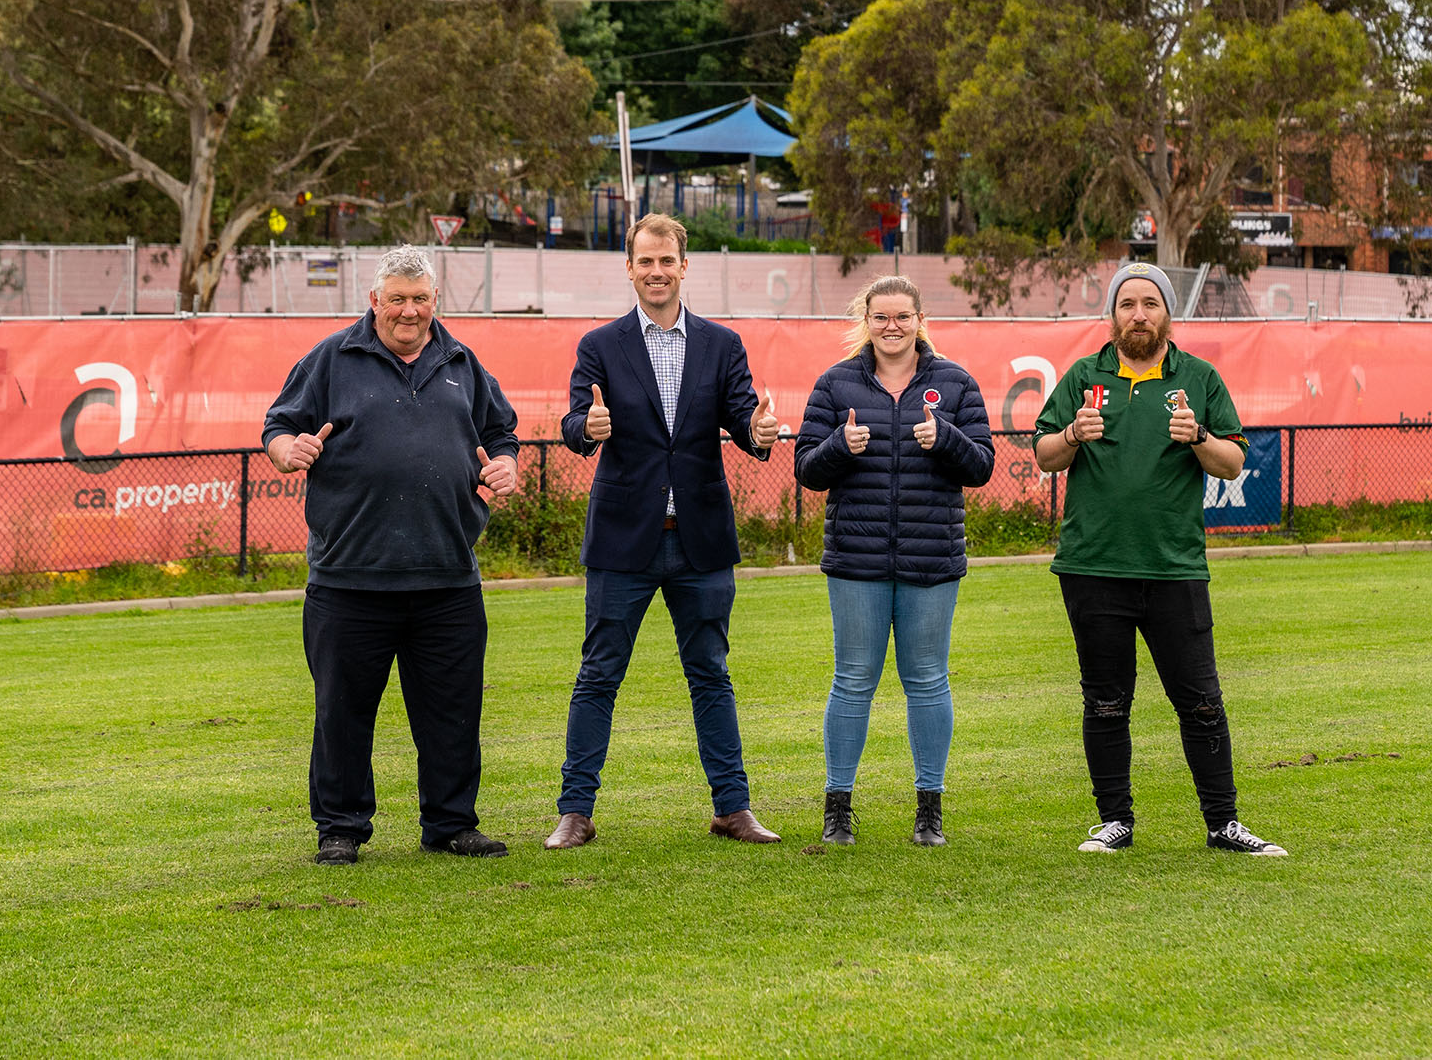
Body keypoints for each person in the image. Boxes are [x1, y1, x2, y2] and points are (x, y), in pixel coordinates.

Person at [261, 245, 522, 866]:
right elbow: (278, 426)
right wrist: (285, 451)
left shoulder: (462, 360)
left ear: (435, 301)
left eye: (421, 299)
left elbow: (500, 431)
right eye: (397, 299)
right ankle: (342, 829)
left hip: (449, 577)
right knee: (342, 716)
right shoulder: (331, 359)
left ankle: (451, 823)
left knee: (453, 713)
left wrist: (506, 463)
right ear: (374, 301)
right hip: (350, 579)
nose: (410, 311)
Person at [1033, 259, 1287, 857]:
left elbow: (1232, 461)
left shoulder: (1197, 378)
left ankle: (1223, 823)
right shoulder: (1083, 376)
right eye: (1128, 304)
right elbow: (1044, 455)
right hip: (1093, 566)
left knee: (1200, 699)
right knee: (1105, 699)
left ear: (1169, 314)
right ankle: (1113, 820)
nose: (1138, 314)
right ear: (1113, 313)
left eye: (1150, 304)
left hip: (1173, 569)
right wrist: (1073, 434)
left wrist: (1198, 437)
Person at [545, 212, 784, 850]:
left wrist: (758, 434)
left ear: (684, 266)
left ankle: (733, 808)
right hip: (624, 539)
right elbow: (574, 422)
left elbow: (742, 418)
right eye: (644, 261)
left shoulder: (721, 344)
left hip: (700, 539)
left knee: (710, 672)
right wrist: (585, 429)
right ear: (629, 268)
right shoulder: (600, 345)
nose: (656, 272)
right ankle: (575, 811)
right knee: (599, 673)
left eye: (666, 261)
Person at [795, 276, 993, 847]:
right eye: (881, 317)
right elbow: (806, 469)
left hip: (931, 561)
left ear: (919, 319)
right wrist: (840, 447)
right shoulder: (836, 384)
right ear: (866, 320)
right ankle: (838, 810)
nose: (891, 327)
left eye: (902, 316)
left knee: (928, 680)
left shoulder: (954, 384)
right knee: (853, 680)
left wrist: (947, 439)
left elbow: (981, 465)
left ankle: (929, 811)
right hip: (857, 562)